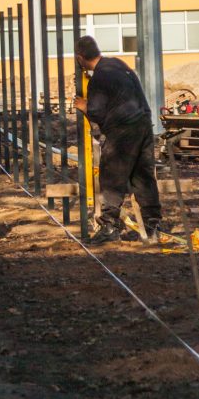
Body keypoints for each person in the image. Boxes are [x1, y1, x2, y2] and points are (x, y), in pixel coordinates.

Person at [72, 35, 163, 245]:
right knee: (143, 177)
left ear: (80, 58)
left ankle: (109, 226)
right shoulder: (118, 64)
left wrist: (83, 106)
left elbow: (97, 113)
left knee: (112, 177)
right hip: (144, 126)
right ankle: (153, 226)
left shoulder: (99, 78)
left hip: (123, 131)